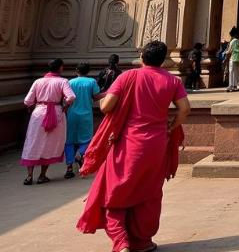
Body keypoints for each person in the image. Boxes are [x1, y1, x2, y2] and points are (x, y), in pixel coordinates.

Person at [77, 40, 191, 252]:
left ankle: (122, 243)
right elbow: (185, 109)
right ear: (163, 60)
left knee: (115, 190)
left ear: (142, 57)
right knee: (149, 193)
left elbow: (106, 106)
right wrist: (170, 126)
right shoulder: (172, 81)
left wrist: (103, 101)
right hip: (157, 144)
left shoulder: (128, 76)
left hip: (129, 143)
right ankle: (142, 241)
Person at [21, 58, 76, 185]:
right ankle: (42, 175)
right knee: (50, 144)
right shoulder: (62, 81)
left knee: (33, 141)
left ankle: (29, 176)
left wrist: (33, 107)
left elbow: (27, 101)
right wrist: (66, 106)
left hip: (38, 112)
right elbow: (71, 96)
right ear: (60, 68)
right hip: (56, 111)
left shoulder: (38, 81)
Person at [65, 62, 100, 179]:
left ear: (76, 71)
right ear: (88, 71)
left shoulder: (70, 82)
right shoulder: (91, 82)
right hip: (86, 115)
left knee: (69, 140)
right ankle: (80, 153)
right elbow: (96, 96)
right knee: (86, 139)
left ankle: (69, 167)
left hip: (71, 114)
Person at [226, 27, 239, 92]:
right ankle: (233, 85)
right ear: (235, 34)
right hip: (235, 58)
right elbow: (234, 50)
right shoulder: (236, 41)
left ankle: (232, 85)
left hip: (233, 58)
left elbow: (229, 50)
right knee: (235, 72)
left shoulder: (232, 41)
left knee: (232, 71)